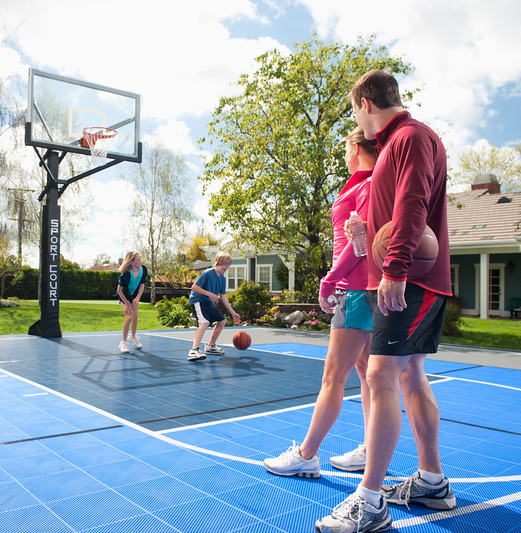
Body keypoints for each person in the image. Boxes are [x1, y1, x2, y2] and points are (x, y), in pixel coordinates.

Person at [315, 70, 455, 533]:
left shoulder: (409, 138)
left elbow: (412, 206)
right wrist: (365, 239)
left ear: (366, 104)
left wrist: (393, 270)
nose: (359, 122)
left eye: (356, 111)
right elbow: (395, 214)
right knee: (410, 376)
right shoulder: (406, 141)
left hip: (409, 279)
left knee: (378, 376)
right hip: (411, 277)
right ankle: (432, 481)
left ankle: (370, 502)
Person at [263, 126, 376, 479]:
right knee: (366, 373)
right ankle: (373, 448)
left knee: (333, 376)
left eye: (346, 149)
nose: (344, 156)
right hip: (364, 289)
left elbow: (359, 246)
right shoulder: (367, 184)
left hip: (356, 290)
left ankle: (306, 454)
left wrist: (329, 279)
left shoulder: (366, 186)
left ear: (357, 147)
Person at [188, 251, 241, 361]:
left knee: (222, 321)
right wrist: (209, 293)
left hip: (207, 301)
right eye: (224, 264)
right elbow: (194, 287)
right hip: (198, 300)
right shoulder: (208, 273)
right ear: (218, 263)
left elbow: (223, 297)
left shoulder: (222, 278)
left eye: (228, 265)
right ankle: (194, 350)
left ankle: (210, 346)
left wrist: (233, 313)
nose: (226, 267)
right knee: (204, 322)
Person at [116, 251, 147, 353]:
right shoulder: (125, 274)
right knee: (129, 317)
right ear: (132, 262)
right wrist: (127, 303)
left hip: (134, 295)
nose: (140, 261)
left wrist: (138, 297)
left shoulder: (143, 270)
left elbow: (142, 285)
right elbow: (119, 291)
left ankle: (133, 337)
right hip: (124, 296)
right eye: (138, 259)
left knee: (135, 317)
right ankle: (123, 342)